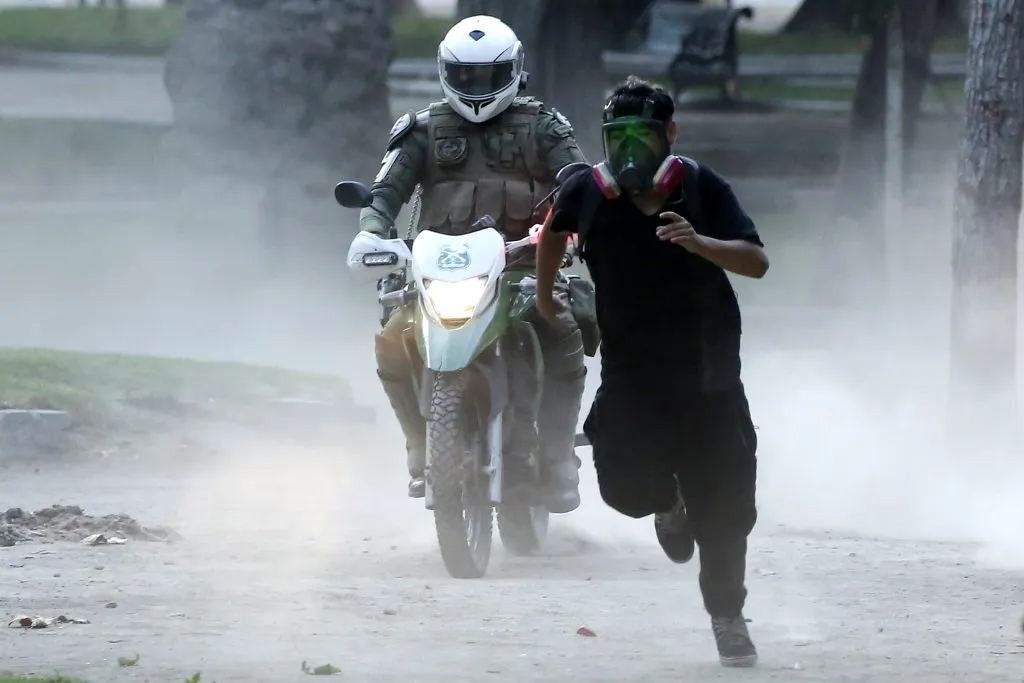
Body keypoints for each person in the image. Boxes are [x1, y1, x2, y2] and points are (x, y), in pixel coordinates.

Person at [534, 76, 769, 667]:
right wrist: (544, 295)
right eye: (619, 137)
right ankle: (668, 503)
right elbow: (553, 235)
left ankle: (727, 618)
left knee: (725, 514)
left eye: (644, 135)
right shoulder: (586, 193)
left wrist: (699, 243)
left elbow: (757, 261)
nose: (630, 150)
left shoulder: (699, 186)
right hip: (634, 378)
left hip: (709, 378)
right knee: (622, 488)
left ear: (670, 134)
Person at [356, 14, 589, 514]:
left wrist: (576, 222)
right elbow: (384, 194)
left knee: (561, 323)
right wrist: (371, 232)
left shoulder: (544, 126)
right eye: (466, 76)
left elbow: (579, 184)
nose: (476, 87)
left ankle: (556, 455)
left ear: (513, 71)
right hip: (439, 275)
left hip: (522, 269)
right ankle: (421, 447)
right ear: (447, 73)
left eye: (488, 75)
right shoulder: (422, 130)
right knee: (393, 337)